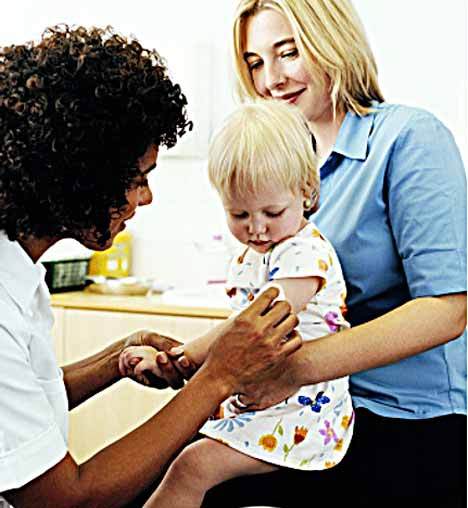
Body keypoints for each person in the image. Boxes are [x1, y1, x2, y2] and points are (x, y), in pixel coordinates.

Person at [0, 25, 303, 508]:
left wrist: (117, 359)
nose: (146, 197)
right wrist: (217, 377)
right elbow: (67, 499)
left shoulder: (19, 271)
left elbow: (28, 406)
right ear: (81, 174)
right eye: (137, 179)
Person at [196, 0, 466, 506]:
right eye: (255, 62)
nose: (271, 78)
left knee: (210, 486)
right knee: (177, 470)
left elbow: (448, 310)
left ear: (332, 42)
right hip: (307, 406)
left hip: (405, 414)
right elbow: (271, 306)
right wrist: (194, 357)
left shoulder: (409, 139)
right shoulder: (278, 167)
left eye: (288, 53)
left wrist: (293, 370)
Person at [120, 99, 354, 508]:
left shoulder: (304, 255)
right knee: (169, 452)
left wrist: (186, 357)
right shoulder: (255, 255)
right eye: (239, 214)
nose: (257, 227)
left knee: (191, 467)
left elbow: (253, 327)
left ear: (306, 191)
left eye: (272, 211)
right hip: (261, 397)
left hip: (302, 414)